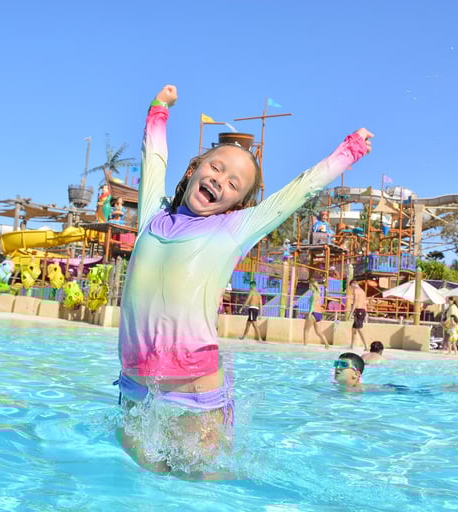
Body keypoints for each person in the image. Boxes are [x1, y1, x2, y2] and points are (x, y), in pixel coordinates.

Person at [115, 84, 373, 475]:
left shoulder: (232, 229)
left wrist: (349, 150)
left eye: (234, 184)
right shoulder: (152, 214)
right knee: (140, 485)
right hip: (134, 387)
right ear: (193, 169)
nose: (221, 180)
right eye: (216, 168)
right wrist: (159, 109)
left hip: (194, 393)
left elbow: (300, 190)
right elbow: (153, 159)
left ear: (237, 204)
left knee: (198, 487)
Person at [303, 277, 330, 349]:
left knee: (306, 330)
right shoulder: (318, 294)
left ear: (313, 286)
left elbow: (312, 305)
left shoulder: (314, 295)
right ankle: (326, 344)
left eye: (310, 286)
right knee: (318, 332)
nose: (309, 287)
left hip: (313, 313)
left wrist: (309, 314)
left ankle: (305, 346)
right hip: (319, 314)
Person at [347, 278, 368, 350]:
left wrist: (350, 314)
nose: (352, 288)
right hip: (362, 311)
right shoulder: (362, 291)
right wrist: (366, 313)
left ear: (353, 284)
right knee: (353, 329)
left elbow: (355, 303)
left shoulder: (356, 290)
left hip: (359, 310)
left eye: (351, 286)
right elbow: (364, 303)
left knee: (359, 329)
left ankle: (366, 346)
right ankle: (352, 345)